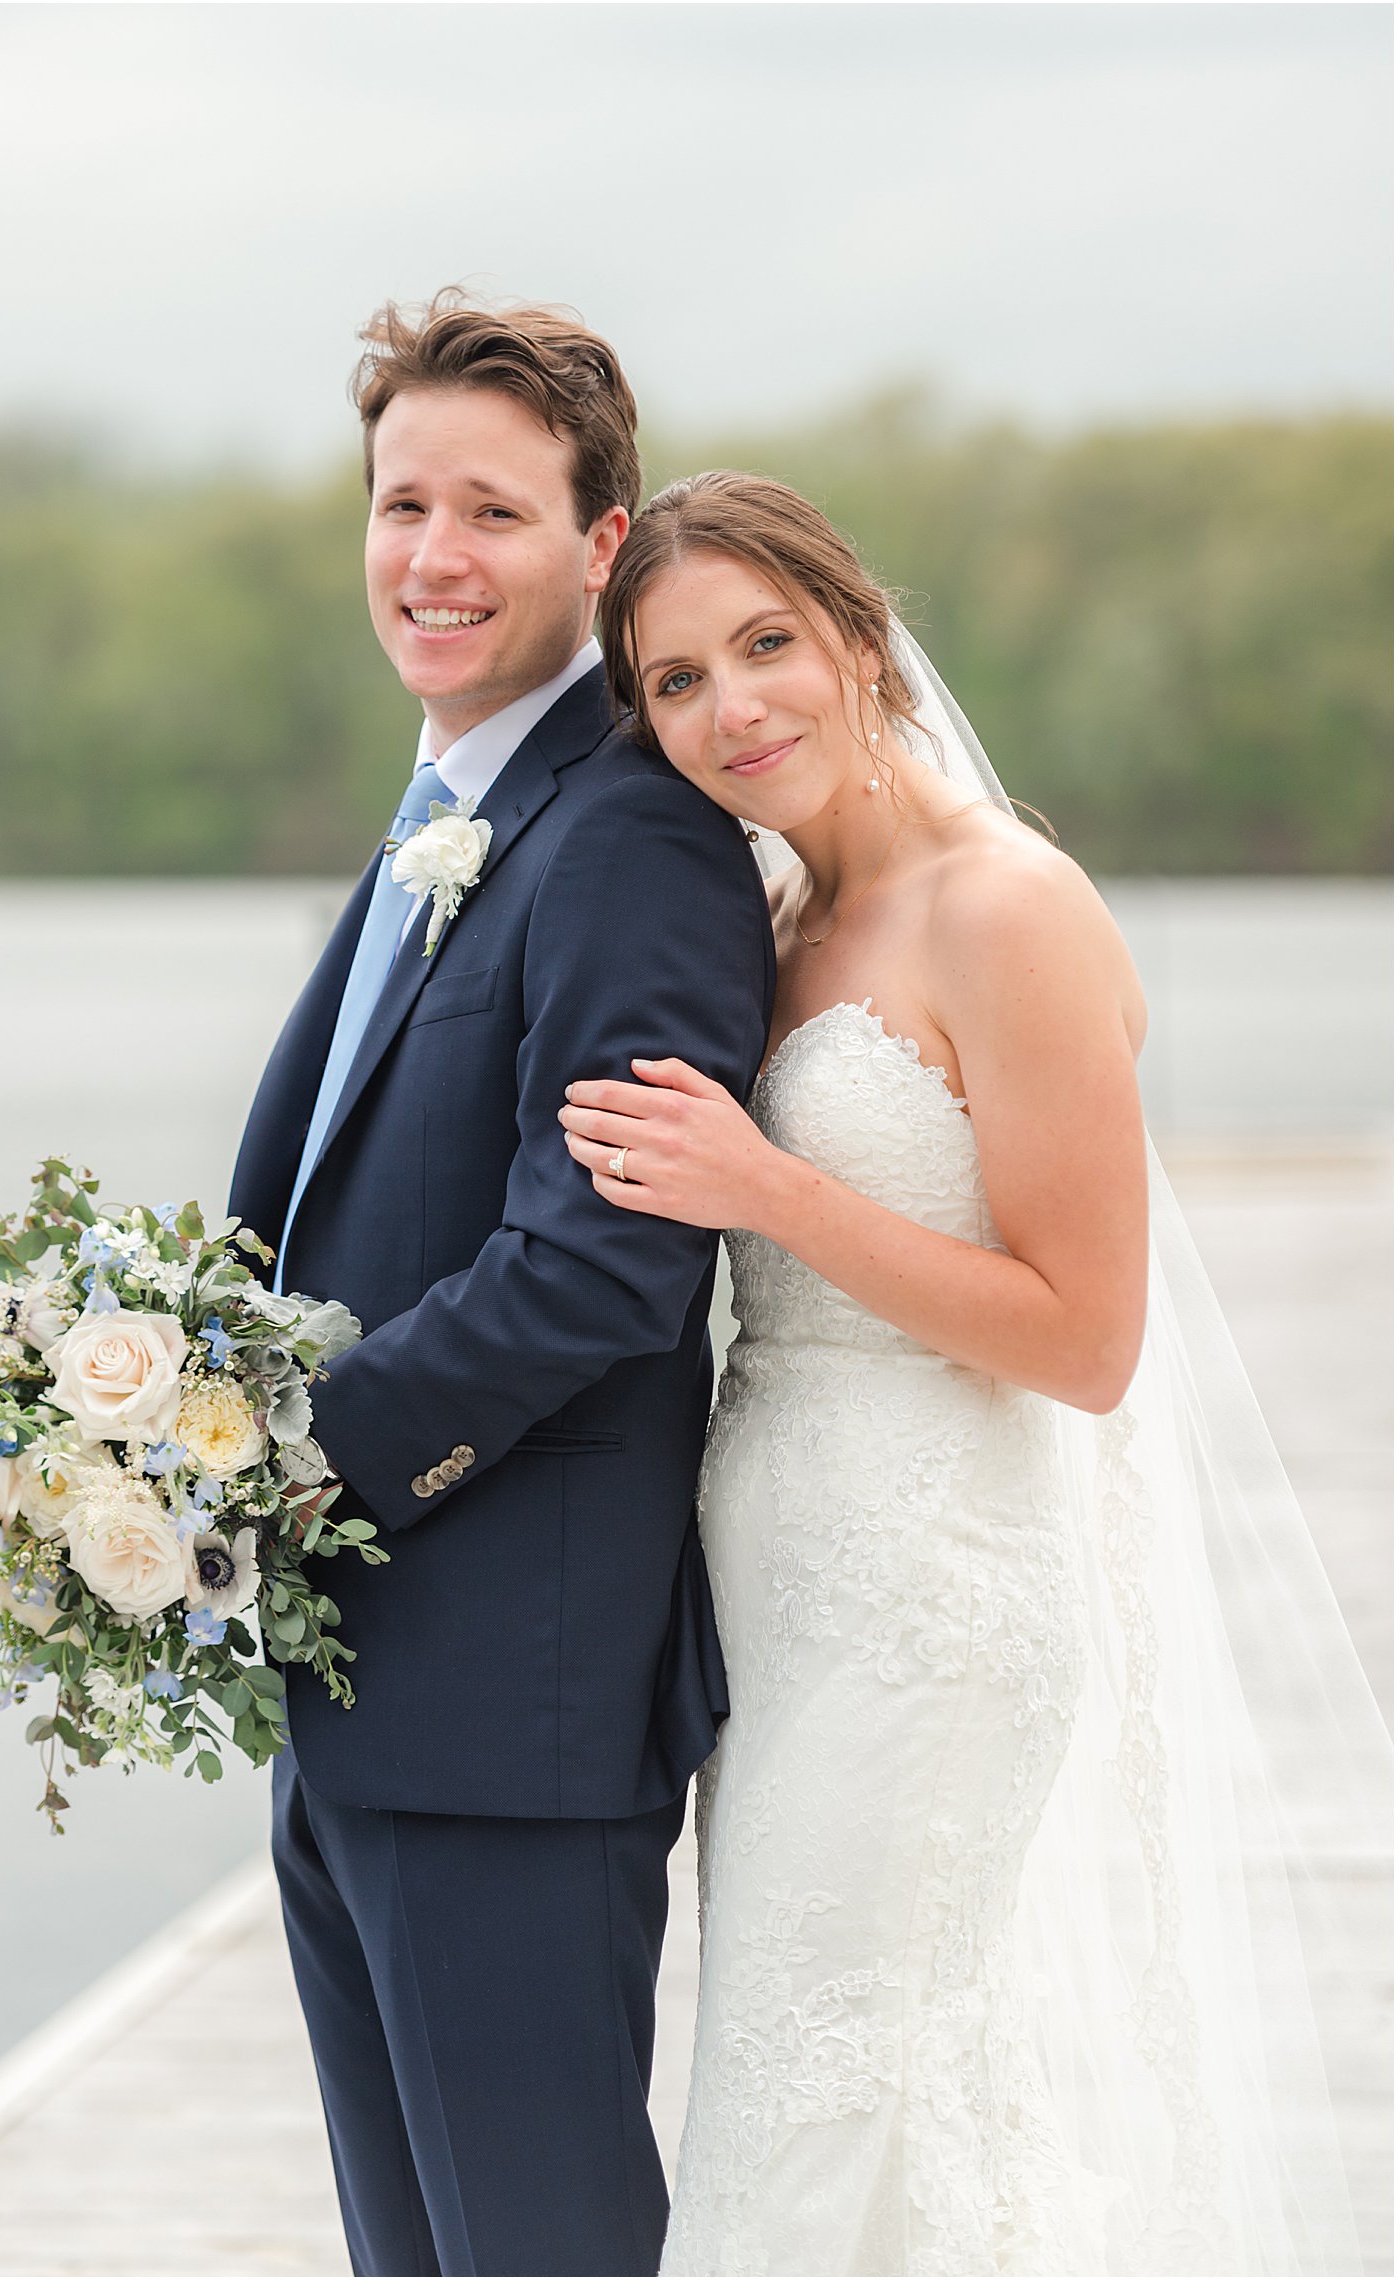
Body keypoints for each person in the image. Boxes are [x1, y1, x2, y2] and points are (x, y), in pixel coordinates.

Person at [562, 470, 1390, 2275]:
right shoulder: (775, 919)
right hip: (779, 1578)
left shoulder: (1005, 908)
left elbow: (1089, 1340)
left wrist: (764, 1187)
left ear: (861, 643)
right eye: (678, 681)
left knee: (818, 2099)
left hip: (935, 1589)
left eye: (767, 644)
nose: (733, 707)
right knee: (851, 2086)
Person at [228, 306, 774, 2277]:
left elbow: (605, 1266)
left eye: (494, 509)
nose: (433, 554)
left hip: (506, 1713)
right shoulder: (447, 815)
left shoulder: (625, 834)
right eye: (401, 503)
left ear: (602, 545)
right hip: (362, 1698)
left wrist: (277, 1471)